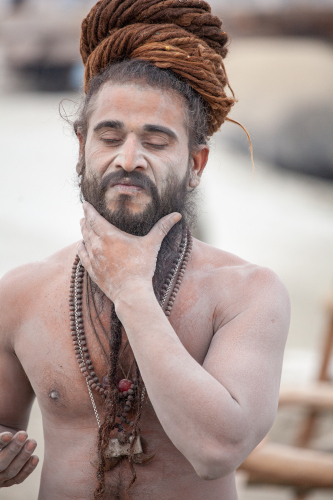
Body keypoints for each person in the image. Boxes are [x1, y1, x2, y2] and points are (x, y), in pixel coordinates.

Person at [0, 0, 290, 499]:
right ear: (81, 147)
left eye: (156, 142)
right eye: (109, 135)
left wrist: (131, 288)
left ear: (196, 163)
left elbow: (217, 450)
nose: (127, 159)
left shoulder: (247, 294)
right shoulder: (21, 292)